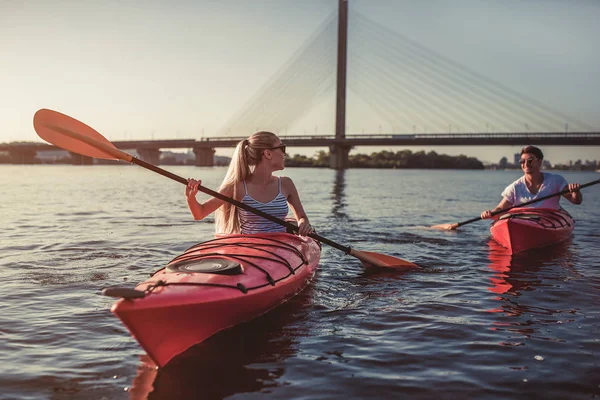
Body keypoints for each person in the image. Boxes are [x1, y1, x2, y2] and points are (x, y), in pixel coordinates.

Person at [185, 131, 314, 236]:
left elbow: (302, 217)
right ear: (268, 153)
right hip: (251, 248)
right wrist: (191, 198)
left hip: (281, 248)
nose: (284, 154)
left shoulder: (286, 184)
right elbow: (200, 213)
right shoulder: (237, 187)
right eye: (282, 148)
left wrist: (303, 224)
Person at [480, 145, 582, 220]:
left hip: (549, 218)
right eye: (522, 161)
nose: (526, 164)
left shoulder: (555, 180)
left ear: (539, 161)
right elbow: (501, 208)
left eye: (530, 160)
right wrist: (491, 213)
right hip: (522, 219)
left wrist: (575, 192)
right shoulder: (514, 187)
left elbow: (576, 201)